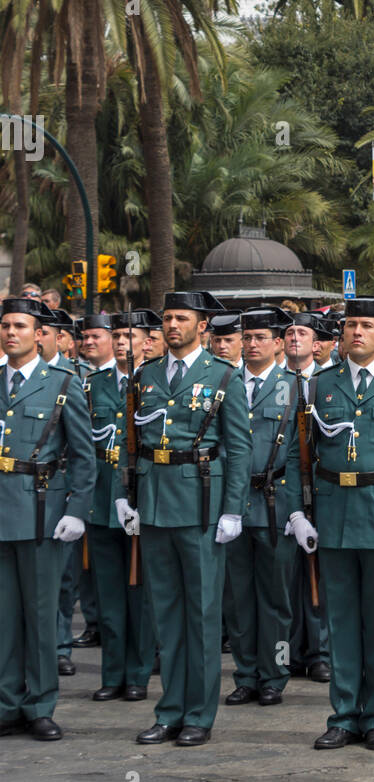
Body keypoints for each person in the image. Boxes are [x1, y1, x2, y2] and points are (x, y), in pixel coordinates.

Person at [116, 292, 252, 747]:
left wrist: (233, 508)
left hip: (201, 505)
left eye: (182, 318)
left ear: (202, 325)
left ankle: (198, 714)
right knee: (166, 614)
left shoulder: (223, 375)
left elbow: (239, 448)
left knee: (202, 614)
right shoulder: (146, 374)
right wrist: (124, 495)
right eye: (168, 318)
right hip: (155, 501)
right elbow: (129, 438)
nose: (172, 325)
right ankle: (169, 710)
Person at [307, 296, 374, 752]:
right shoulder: (321, 384)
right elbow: (302, 453)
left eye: (367, 326)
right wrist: (299, 512)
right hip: (334, 510)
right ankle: (343, 715)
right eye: (351, 325)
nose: (357, 333)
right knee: (341, 620)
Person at [0, 297, 95, 740]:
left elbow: (84, 455)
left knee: (40, 615)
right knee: (4, 617)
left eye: (19, 326)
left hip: (42, 511)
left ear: (39, 334)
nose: (10, 333)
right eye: (5, 326)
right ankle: (7, 704)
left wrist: (77, 510)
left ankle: (39, 705)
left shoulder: (62, 382)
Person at [223, 308, 308, 707]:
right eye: (247, 337)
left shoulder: (292, 386)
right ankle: (245, 675)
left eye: (260, 338)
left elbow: (300, 454)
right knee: (238, 599)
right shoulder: (225, 383)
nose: (252, 344)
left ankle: (274, 674)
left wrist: (296, 510)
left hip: (276, 504)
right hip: (233, 505)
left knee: (276, 601)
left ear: (277, 343)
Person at [85, 311, 159, 703]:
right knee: (109, 595)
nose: (120, 342)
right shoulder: (93, 383)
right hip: (101, 501)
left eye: (129, 336)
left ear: (147, 343)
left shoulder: (155, 381)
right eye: (116, 336)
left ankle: (138, 675)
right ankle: (112, 674)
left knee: (140, 595)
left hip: (140, 498)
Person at [57, 313, 113, 670]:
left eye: (96, 336)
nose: (88, 342)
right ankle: (70, 638)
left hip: (104, 487)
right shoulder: (77, 377)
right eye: (84, 337)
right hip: (62, 483)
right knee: (70, 571)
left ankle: (99, 626)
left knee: (98, 568)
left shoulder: (122, 380)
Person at [283, 312, 330, 682]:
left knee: (318, 578)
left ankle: (320, 652)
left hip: (318, 489)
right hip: (278, 494)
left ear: (317, 345)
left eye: (302, 332)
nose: (294, 338)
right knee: (285, 582)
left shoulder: (325, 384)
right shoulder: (274, 381)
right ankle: (290, 651)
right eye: (289, 332)